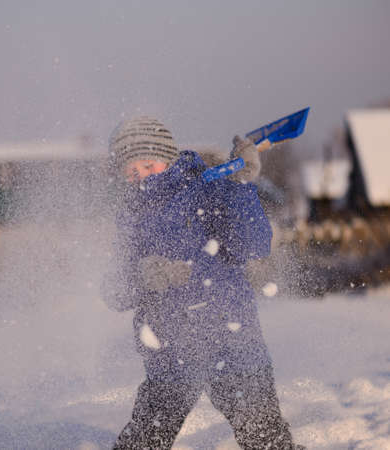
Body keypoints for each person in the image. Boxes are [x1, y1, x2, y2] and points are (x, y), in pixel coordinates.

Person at [103, 116, 302, 449]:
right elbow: (114, 291)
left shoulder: (211, 188)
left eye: (149, 165)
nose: (141, 177)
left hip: (232, 341)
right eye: (131, 171)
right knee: (142, 443)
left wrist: (241, 184)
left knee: (265, 440)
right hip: (169, 353)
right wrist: (141, 275)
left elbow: (252, 245)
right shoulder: (130, 215)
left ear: (168, 156)